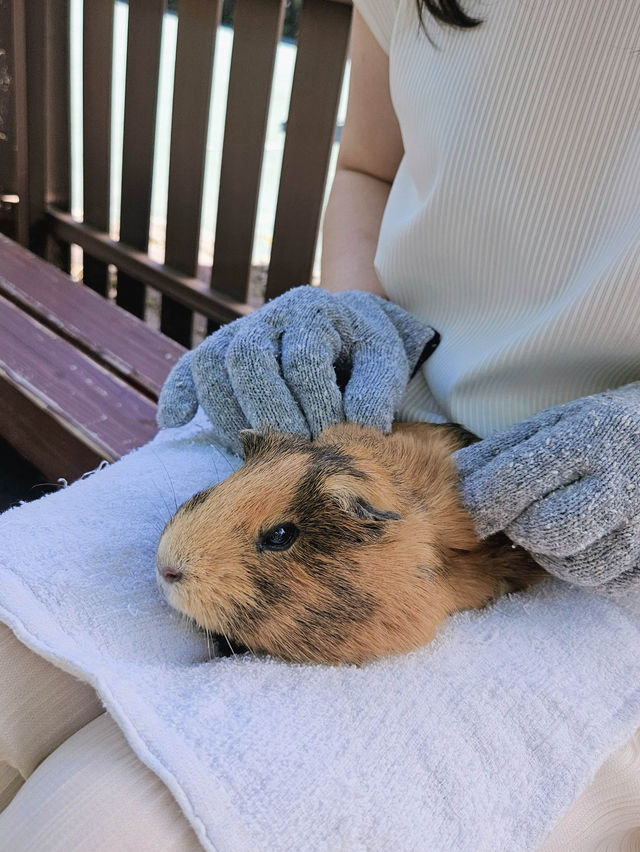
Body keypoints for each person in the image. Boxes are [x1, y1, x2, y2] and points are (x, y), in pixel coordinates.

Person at [1, 1, 639, 847]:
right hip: (363, 418)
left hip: (607, 557)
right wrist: (347, 314)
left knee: (93, 828)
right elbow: (370, 166)